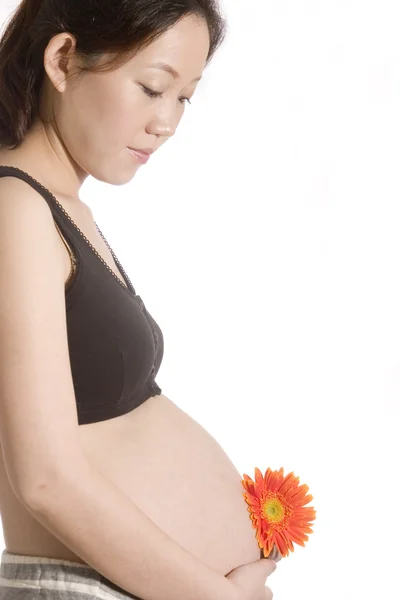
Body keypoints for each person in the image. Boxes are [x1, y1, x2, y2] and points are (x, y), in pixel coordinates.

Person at [0, 1, 279, 599]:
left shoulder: (57, 207)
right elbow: (46, 478)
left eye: (184, 98)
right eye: (152, 87)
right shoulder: (14, 209)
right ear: (63, 58)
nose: (168, 122)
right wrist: (217, 595)